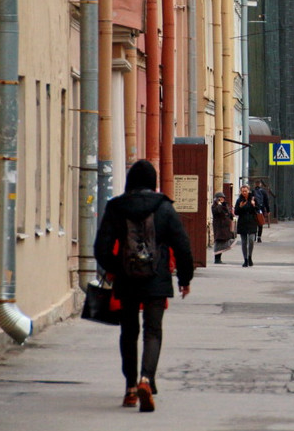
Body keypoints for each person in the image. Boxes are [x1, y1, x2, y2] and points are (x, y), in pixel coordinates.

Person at [94, 159, 194, 413]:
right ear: (153, 181)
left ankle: (130, 389)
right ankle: (146, 380)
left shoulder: (116, 207)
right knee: (153, 331)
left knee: (129, 332)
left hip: (126, 279)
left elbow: (101, 248)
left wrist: (116, 269)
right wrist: (184, 279)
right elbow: (182, 245)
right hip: (156, 279)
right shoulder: (164, 207)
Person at [235, 185, 260, 267]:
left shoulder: (253, 199)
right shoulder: (239, 200)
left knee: (251, 240)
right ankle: (245, 259)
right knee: (244, 242)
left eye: (245, 191)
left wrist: (254, 205)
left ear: (248, 191)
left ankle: (250, 257)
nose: (244, 193)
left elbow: (258, 209)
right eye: (243, 191)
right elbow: (236, 212)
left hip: (252, 222)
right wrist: (240, 207)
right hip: (243, 223)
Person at [211, 192, 235, 264]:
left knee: (223, 241)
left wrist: (231, 215)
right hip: (219, 226)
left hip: (225, 227)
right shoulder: (215, 206)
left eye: (223, 198)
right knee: (219, 241)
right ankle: (217, 259)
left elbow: (228, 213)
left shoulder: (225, 205)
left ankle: (219, 258)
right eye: (220, 198)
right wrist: (219, 204)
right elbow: (217, 211)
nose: (222, 199)